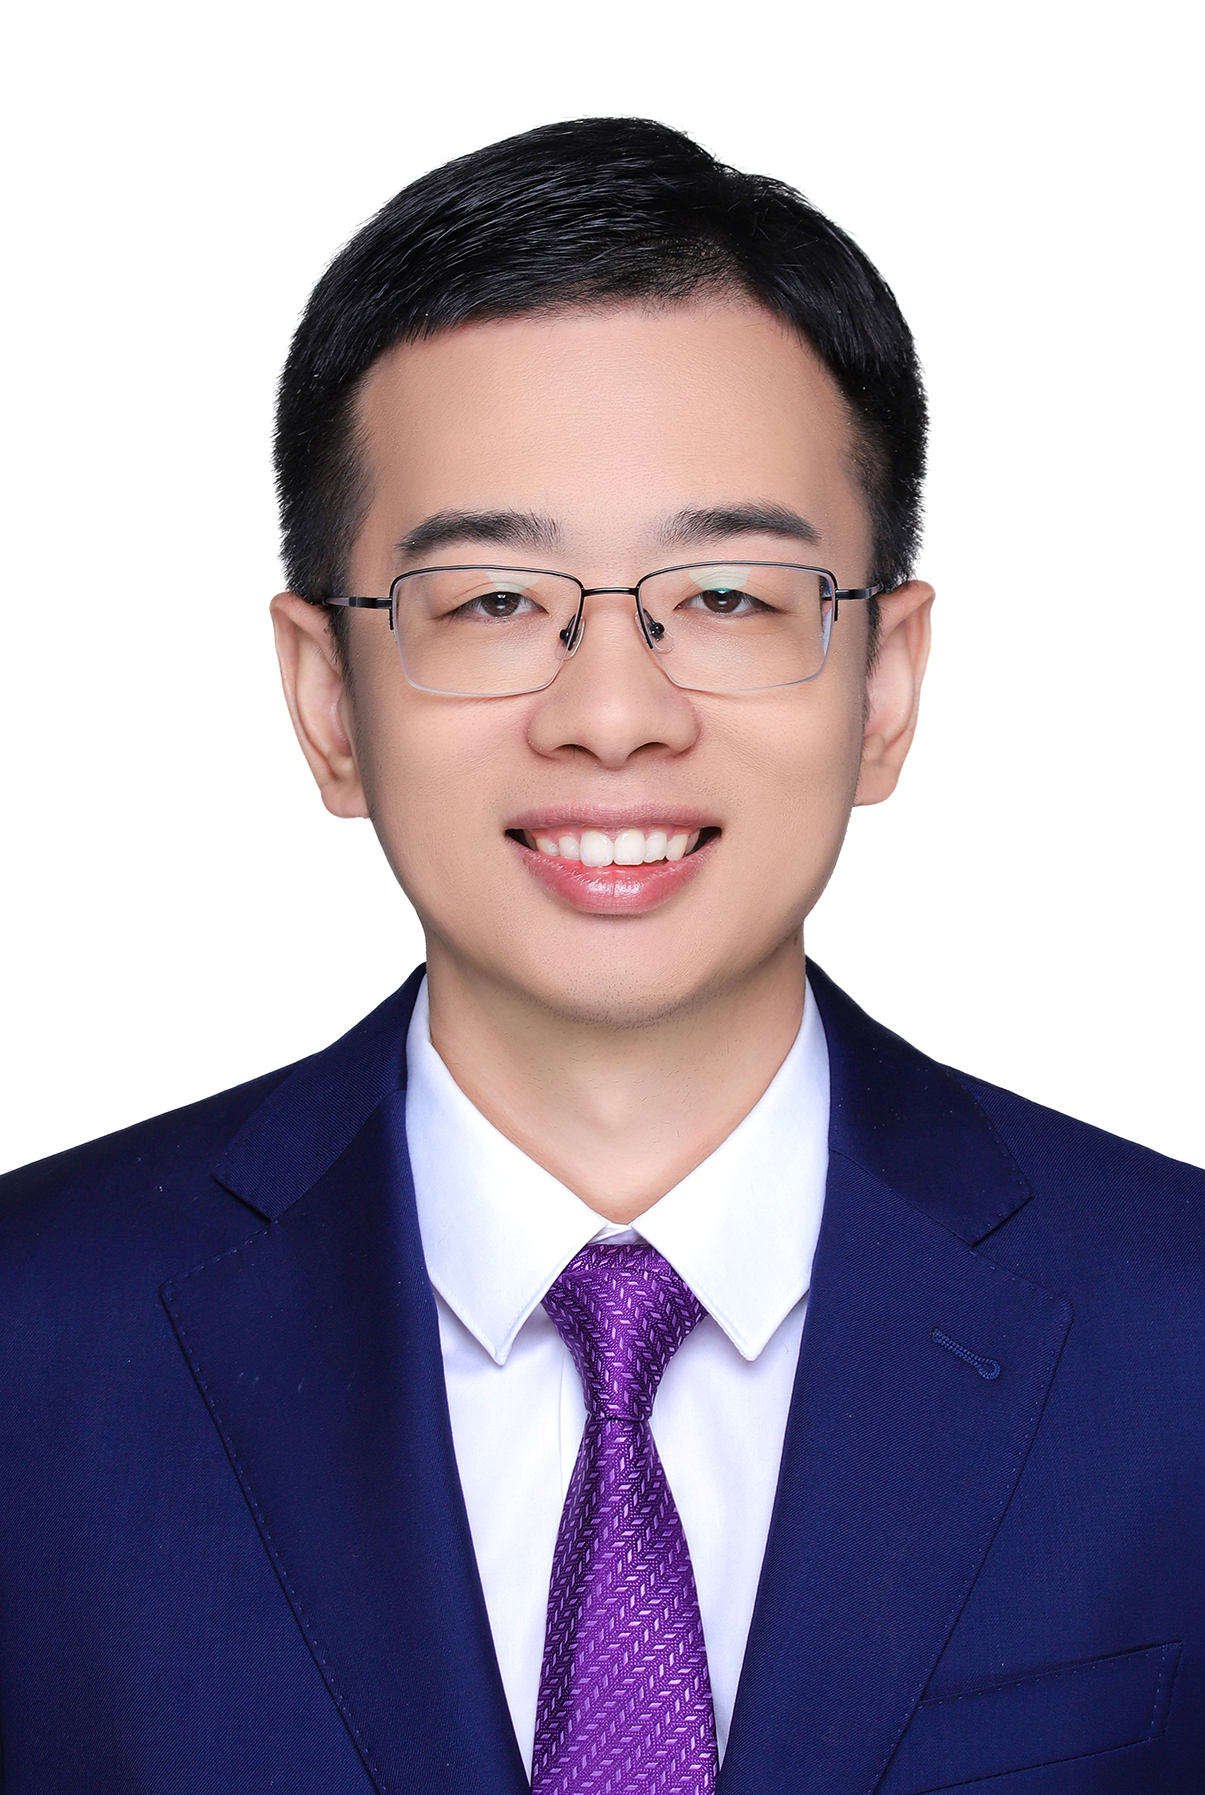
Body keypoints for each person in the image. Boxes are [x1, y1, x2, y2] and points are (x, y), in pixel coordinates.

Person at [0, 116, 1200, 1795]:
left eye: (728, 596)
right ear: (327, 701)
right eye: (493, 601)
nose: (614, 714)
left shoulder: (1177, 1333)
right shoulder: (33, 1344)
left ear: (885, 685)